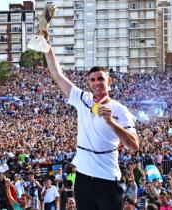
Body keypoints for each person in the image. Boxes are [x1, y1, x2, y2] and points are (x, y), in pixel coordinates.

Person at [42, 29, 139, 210]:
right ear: (89, 83)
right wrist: (47, 47)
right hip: (83, 179)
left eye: (101, 79)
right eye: (92, 80)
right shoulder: (82, 99)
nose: (96, 83)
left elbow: (134, 145)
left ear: (109, 82)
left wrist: (112, 122)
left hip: (107, 180)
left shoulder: (120, 110)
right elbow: (57, 73)